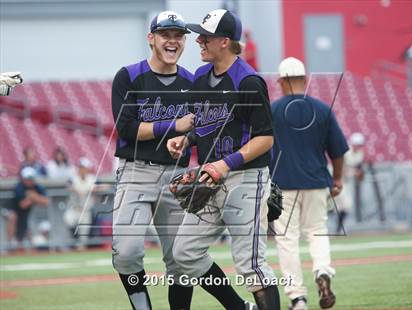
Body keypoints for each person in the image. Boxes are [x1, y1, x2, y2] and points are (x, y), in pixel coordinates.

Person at [167, 9, 280, 310]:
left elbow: (266, 138)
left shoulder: (249, 81)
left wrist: (225, 164)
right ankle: (238, 307)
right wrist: (186, 139)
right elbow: (204, 124)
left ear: (225, 42)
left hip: (245, 176)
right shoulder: (202, 77)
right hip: (210, 176)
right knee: (185, 252)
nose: (199, 41)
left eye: (206, 36)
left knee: (250, 265)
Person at [111, 11, 195, 310]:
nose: (172, 41)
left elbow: (200, 130)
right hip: (136, 172)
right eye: (165, 35)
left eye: (178, 36)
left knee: (182, 259)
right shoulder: (129, 76)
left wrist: (187, 139)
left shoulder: (192, 81)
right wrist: (174, 127)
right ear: (151, 38)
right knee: (126, 252)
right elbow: (127, 129)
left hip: (177, 175)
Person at [270, 57, 349, 310]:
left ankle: (297, 297)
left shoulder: (271, 111)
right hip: (316, 182)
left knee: (287, 240)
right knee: (317, 231)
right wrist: (337, 178)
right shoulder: (323, 109)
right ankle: (322, 271)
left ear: (281, 82)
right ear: (305, 79)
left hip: (282, 183)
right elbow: (338, 151)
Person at [11, 167, 49, 248]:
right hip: (22, 216)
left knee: (44, 230)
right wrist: (34, 198)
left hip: (38, 217)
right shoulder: (19, 187)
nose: (29, 181)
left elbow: (46, 201)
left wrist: (33, 196)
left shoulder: (38, 187)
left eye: (31, 178)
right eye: (27, 179)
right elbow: (23, 204)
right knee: (23, 235)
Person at [334, 132, 365, 232]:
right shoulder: (346, 153)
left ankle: (339, 228)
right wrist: (353, 173)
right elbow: (340, 168)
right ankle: (339, 228)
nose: (358, 146)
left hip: (345, 182)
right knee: (343, 205)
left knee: (344, 206)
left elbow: (359, 170)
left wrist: (358, 174)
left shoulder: (360, 154)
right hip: (337, 179)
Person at [64, 157, 96, 249]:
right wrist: (77, 190)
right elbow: (67, 184)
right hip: (74, 208)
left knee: (83, 237)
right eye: (81, 167)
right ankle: (72, 242)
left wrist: (92, 190)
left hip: (86, 210)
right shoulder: (74, 178)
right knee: (68, 220)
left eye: (84, 168)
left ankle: (81, 252)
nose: (82, 170)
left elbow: (103, 186)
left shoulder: (91, 178)